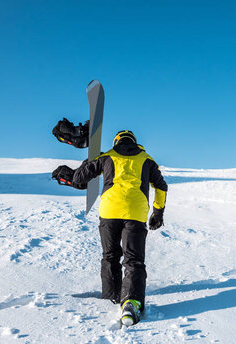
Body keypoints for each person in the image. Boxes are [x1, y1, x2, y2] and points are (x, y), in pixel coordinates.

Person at [54, 130, 168, 326]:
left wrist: (88, 161)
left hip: (109, 212)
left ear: (116, 141)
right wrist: (157, 213)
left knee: (110, 256)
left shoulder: (107, 156)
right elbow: (161, 187)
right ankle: (131, 303)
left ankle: (110, 297)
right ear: (135, 142)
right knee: (133, 260)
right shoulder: (146, 159)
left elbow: (79, 178)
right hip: (135, 214)